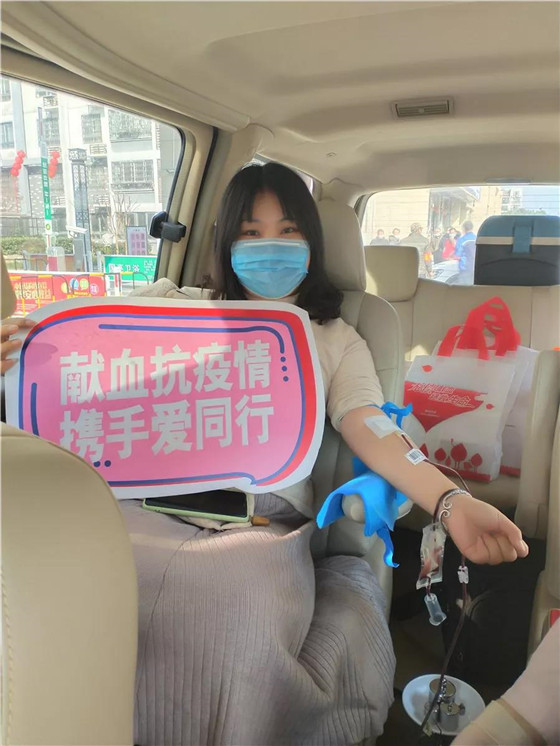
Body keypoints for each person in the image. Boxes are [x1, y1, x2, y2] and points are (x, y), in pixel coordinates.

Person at [1, 163, 529, 746]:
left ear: (311, 242)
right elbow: (78, 349)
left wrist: (450, 500)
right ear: (227, 243)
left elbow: (369, 423)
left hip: (257, 525)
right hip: (141, 508)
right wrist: (24, 345)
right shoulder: (172, 308)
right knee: (71, 600)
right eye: (250, 232)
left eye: (287, 230)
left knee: (234, 626)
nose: (269, 246)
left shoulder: (337, 337)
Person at [455, 219, 477, 284]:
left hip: (465, 267)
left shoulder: (462, 240)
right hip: (476, 268)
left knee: (464, 288)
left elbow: (457, 255)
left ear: (464, 228)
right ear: (472, 228)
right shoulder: (477, 238)